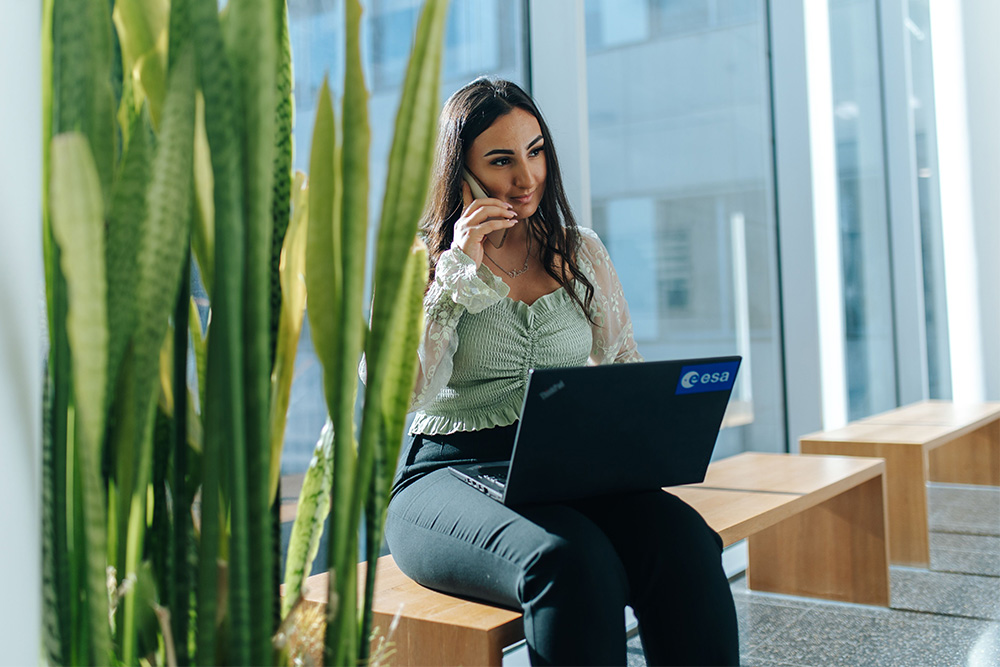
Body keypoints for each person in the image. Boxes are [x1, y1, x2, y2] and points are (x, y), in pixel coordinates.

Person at [383, 77, 740, 666]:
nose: (527, 178)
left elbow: (623, 360)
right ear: (461, 170)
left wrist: (654, 428)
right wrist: (456, 277)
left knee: (687, 546)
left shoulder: (580, 251)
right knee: (569, 562)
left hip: (567, 471)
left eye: (536, 150)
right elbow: (396, 396)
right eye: (501, 161)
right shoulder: (420, 262)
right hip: (446, 473)